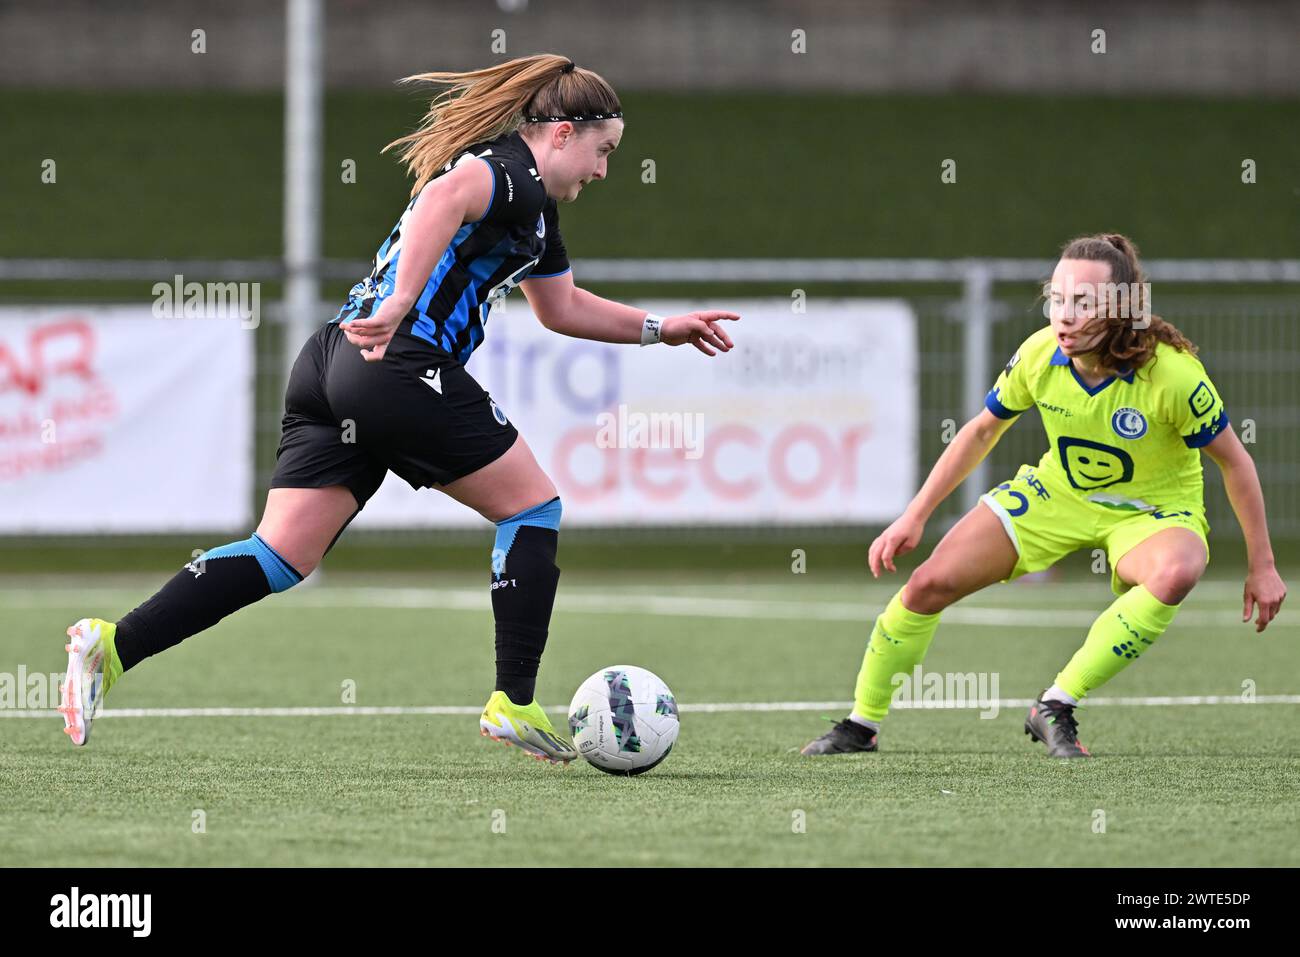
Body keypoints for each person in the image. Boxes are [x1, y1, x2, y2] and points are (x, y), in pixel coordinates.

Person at [58, 54, 739, 764]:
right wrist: (399, 305)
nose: (602, 171)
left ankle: (111, 646)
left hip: (331, 364)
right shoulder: (508, 172)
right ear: (563, 133)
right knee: (533, 508)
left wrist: (663, 327)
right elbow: (446, 199)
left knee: (281, 554)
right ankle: (513, 700)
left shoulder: (534, 212)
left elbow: (561, 307)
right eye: (603, 152)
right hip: (397, 361)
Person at [802, 233, 1286, 758]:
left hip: (1152, 512)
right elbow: (981, 431)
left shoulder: (1172, 375)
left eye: (1084, 302)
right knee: (926, 585)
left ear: (1123, 308)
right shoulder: (1039, 354)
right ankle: (861, 725)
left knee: (1177, 571)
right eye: (1057, 298)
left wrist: (1261, 564)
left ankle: (1056, 704)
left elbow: (1235, 462)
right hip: (1058, 495)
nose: (1065, 315)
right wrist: (914, 515)